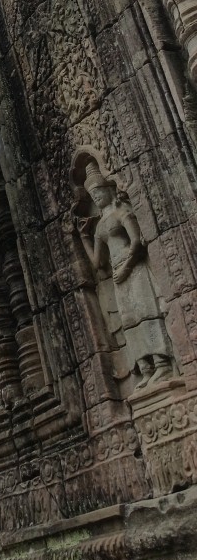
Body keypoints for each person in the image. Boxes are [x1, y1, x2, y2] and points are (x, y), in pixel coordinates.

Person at [77, 162, 173, 390]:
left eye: (99, 192)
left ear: (109, 190)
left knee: (146, 311)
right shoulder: (100, 227)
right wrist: (84, 238)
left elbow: (137, 243)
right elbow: (98, 264)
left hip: (132, 268)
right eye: (93, 195)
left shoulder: (123, 213)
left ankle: (162, 363)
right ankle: (145, 368)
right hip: (118, 273)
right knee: (129, 319)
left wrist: (126, 267)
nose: (97, 197)